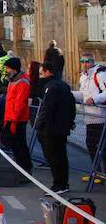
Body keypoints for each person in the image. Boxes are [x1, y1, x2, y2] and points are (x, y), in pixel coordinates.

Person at [35, 61, 76, 194]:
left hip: (52, 128)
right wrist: (70, 121)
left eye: (41, 73)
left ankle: (59, 184)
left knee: (55, 157)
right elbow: (72, 105)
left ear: (47, 72)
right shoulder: (63, 85)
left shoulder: (51, 87)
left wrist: (39, 124)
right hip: (61, 126)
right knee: (61, 155)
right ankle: (62, 183)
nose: (40, 76)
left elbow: (47, 108)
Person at [73, 53, 106, 184]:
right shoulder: (83, 77)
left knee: (97, 146)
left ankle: (100, 173)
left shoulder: (100, 74)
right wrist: (69, 94)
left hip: (100, 116)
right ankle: (97, 173)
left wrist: (95, 99)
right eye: (83, 61)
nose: (85, 64)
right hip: (89, 116)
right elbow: (83, 94)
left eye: (88, 61)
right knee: (92, 145)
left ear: (92, 62)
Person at [2, 57, 32, 174]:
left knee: (20, 145)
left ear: (14, 69)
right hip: (10, 117)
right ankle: (21, 167)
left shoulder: (22, 82)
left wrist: (14, 121)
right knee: (15, 145)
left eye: (8, 68)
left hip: (18, 119)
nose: (6, 70)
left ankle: (25, 168)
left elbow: (20, 103)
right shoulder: (13, 80)